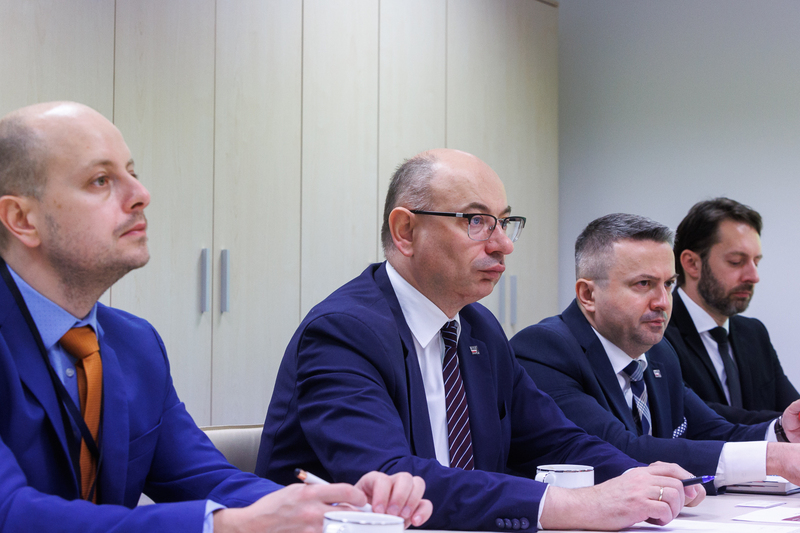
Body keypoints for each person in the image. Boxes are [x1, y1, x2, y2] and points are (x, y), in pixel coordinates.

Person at [0, 101, 431, 533]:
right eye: (100, 180)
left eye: (132, 171)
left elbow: (204, 479)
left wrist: (338, 505)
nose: (141, 194)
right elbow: (10, 512)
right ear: (22, 219)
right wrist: (227, 525)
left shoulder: (134, 344)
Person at [256, 149, 704, 532]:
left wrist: (642, 477)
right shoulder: (343, 331)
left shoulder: (478, 329)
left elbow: (556, 441)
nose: (503, 246)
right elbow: (391, 477)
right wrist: (576, 505)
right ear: (405, 232)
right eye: (476, 221)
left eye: (504, 223)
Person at [511, 213, 800, 495]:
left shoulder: (659, 352)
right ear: (588, 295)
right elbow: (621, 449)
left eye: (669, 284)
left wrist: (780, 431)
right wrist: (772, 458)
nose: (663, 302)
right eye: (643, 284)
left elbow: (711, 430)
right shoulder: (545, 349)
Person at [665, 197, 799, 424]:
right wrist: (783, 424)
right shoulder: (659, 333)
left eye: (756, 261)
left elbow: (792, 408)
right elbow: (699, 417)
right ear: (691, 263)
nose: (753, 276)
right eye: (737, 261)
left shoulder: (754, 333)